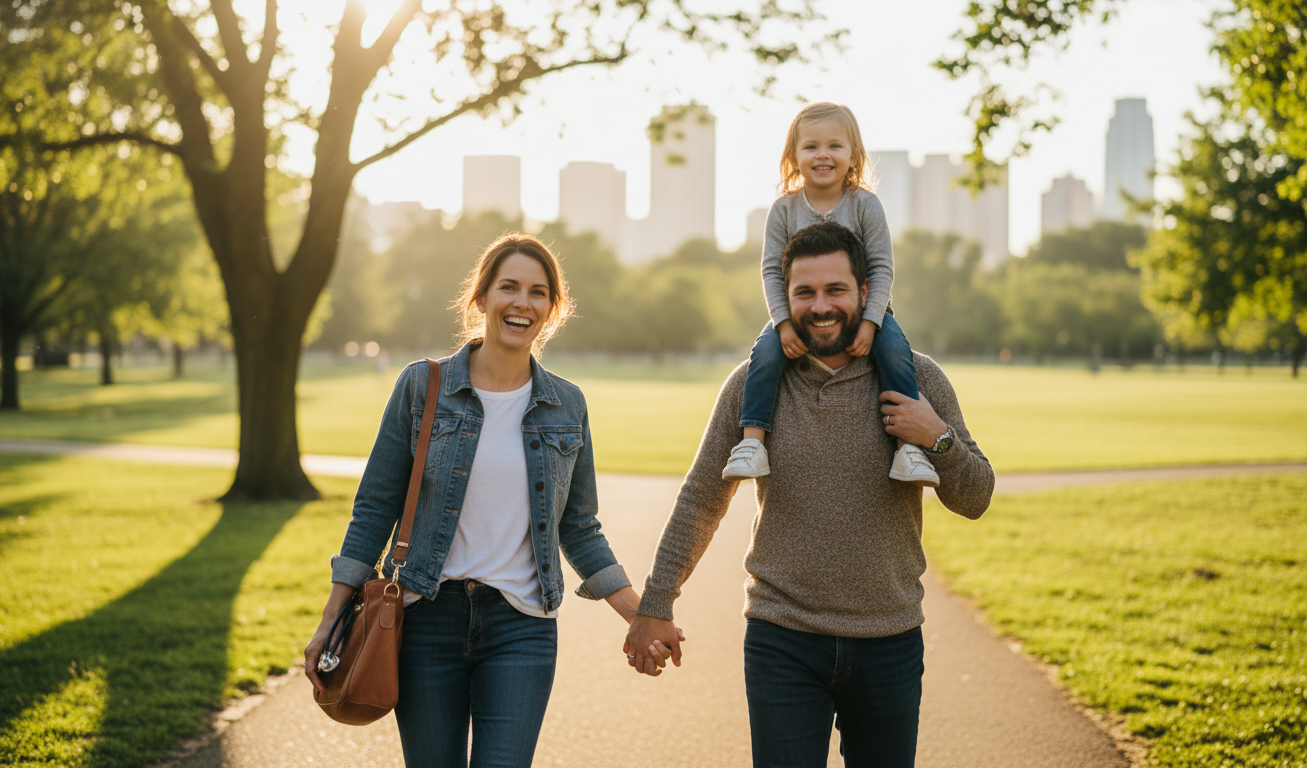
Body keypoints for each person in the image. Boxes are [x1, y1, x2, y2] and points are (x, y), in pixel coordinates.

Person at [625, 222, 995, 767]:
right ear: (784, 298)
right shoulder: (753, 384)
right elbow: (702, 498)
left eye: (835, 290)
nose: (821, 307)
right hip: (782, 639)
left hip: (889, 641)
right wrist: (656, 603)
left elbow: (976, 498)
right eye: (805, 292)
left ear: (865, 292)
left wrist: (935, 436)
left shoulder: (918, 378)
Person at [305, 233, 674, 767]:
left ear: (552, 309)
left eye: (538, 292)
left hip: (521, 627)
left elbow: (579, 527)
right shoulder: (422, 386)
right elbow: (375, 508)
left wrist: (640, 615)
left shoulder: (567, 405)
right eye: (509, 287)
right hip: (425, 619)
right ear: (480, 297)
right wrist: (330, 620)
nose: (523, 303)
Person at [723, 102, 939, 488]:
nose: (822, 154)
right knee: (766, 353)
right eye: (811, 147)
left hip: (869, 313)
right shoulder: (784, 209)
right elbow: (771, 270)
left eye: (834, 146)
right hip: (795, 316)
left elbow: (881, 267)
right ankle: (752, 443)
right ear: (794, 157)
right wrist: (782, 324)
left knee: (894, 351)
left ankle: (908, 449)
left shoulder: (865, 204)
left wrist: (871, 323)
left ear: (853, 156)